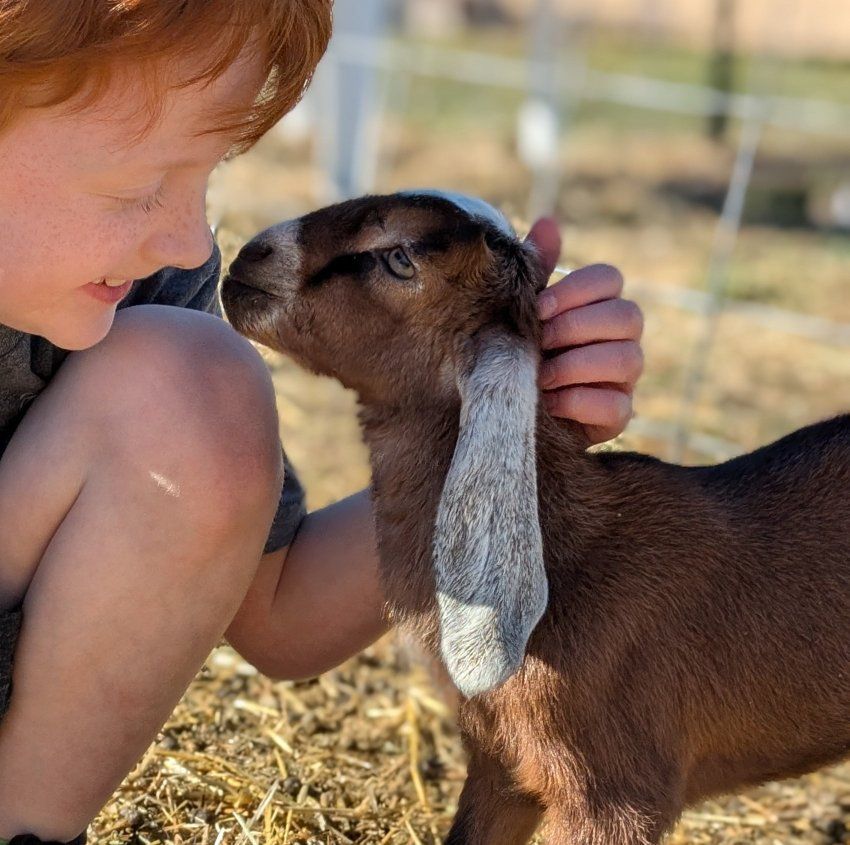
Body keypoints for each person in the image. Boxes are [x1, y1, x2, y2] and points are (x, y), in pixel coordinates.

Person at [0, 2, 645, 842]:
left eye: (210, 173)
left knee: (193, 387)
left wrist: (494, 437)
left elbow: (279, 614)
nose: (194, 243)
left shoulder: (145, 283)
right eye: (140, 186)